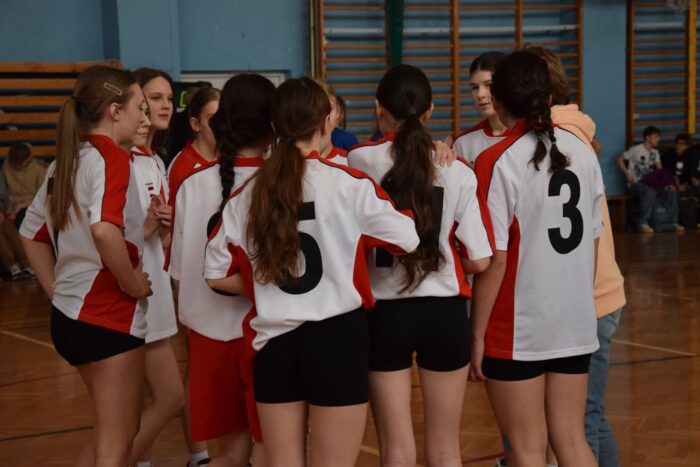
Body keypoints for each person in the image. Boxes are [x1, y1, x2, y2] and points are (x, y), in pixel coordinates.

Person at [203, 77, 420, 467]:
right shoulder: (349, 184)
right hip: (337, 339)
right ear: (325, 123)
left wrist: (265, 279)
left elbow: (215, 274)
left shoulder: (247, 194)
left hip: (274, 344)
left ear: (274, 126)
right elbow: (408, 238)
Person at [348, 64, 494, 467]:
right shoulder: (457, 169)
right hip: (444, 312)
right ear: (430, 111)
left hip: (383, 313)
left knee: (395, 449)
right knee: (446, 448)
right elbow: (480, 259)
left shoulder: (356, 160)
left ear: (378, 108)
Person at [471, 50, 603, 467]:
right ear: (548, 97)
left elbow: (495, 260)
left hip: (517, 327)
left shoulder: (497, 160)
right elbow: (594, 242)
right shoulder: (584, 151)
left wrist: (476, 334)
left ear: (499, 101)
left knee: (527, 449)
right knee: (572, 439)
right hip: (574, 319)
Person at [19, 65, 152, 466]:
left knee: (113, 435)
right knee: (116, 443)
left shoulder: (65, 162)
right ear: (115, 110)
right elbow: (104, 231)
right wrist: (132, 285)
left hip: (69, 317)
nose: (143, 117)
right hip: (107, 315)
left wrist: (55, 292)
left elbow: (31, 233)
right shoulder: (112, 159)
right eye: (139, 107)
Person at [168, 73, 275, 466]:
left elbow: (179, 273)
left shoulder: (192, 184)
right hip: (272, 335)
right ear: (273, 124)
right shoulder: (287, 182)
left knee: (230, 456)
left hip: (209, 336)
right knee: (275, 452)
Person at [529, 43, 627, 467]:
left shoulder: (555, 138)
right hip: (594, 296)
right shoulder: (574, 132)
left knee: (579, 426)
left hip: (589, 298)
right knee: (589, 418)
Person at [128, 70, 184, 466]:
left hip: (156, 290)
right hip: (134, 295)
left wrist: (164, 232)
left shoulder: (154, 160)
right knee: (168, 396)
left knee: (144, 399)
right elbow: (105, 234)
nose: (163, 106)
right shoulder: (119, 161)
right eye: (153, 98)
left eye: (168, 98)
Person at [617, 126, 683, 233]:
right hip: (636, 184)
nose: (658, 139)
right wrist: (627, 174)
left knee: (671, 191)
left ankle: (673, 222)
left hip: (652, 184)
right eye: (656, 136)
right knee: (649, 192)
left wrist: (668, 184)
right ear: (647, 137)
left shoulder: (655, 153)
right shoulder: (636, 149)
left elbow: (660, 170)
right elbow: (619, 160)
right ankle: (643, 223)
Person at [452, 52, 508, 162]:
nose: (480, 94)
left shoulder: (531, 136)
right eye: (475, 87)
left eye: (489, 85)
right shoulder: (463, 143)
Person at [3, 142, 47, 229]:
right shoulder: (6, 166)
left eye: (20, 163)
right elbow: (3, 191)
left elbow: (41, 197)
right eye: (14, 163)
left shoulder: (39, 170)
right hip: (9, 204)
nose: (17, 166)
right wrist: (9, 208)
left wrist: (22, 205)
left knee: (23, 220)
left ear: (28, 158)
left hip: (30, 205)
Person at [0, 168, 33, 279]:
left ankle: (26, 264)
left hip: (2, 207)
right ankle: (13, 265)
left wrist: (9, 208)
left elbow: (4, 194)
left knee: (8, 222)